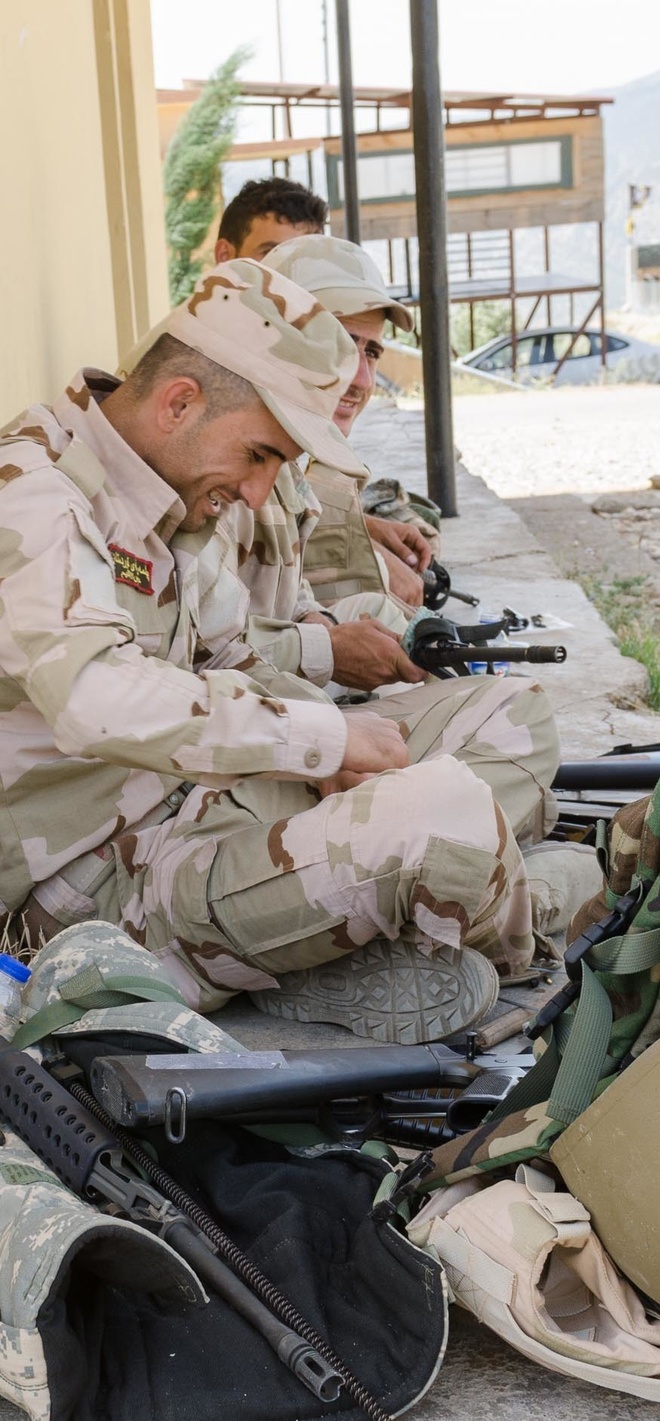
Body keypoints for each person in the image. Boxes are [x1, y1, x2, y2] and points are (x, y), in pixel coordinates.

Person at [0, 259, 536, 1043]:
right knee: (446, 816)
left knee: (509, 718)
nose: (259, 493)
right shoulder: (35, 496)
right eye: (260, 456)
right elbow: (93, 697)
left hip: (197, 807)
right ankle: (519, 930)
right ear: (179, 403)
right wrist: (323, 741)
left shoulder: (168, 496)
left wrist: (338, 745)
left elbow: (235, 655)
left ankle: (347, 933)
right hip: (82, 899)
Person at [216, 176, 429, 606]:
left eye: (371, 352)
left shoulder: (296, 450)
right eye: (336, 344)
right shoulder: (218, 452)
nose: (362, 382)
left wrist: (366, 530)